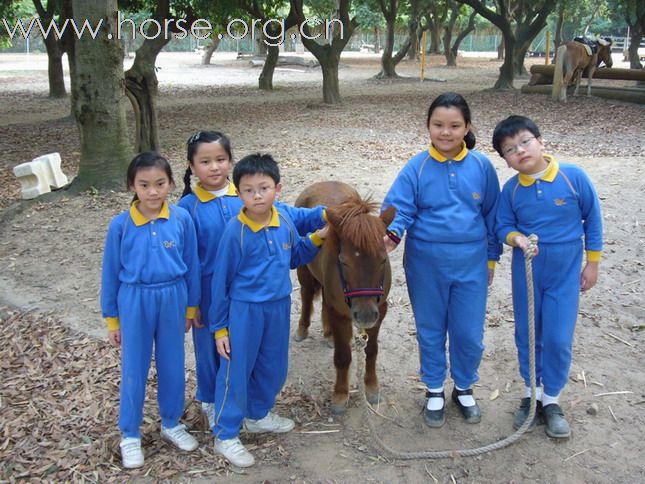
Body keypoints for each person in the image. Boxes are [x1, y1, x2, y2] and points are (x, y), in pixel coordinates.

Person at [178, 131, 327, 429]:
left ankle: (253, 412)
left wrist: (327, 213)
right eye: (205, 161)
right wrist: (191, 304)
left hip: (253, 293)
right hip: (210, 291)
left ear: (230, 161)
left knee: (253, 355)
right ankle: (213, 403)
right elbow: (187, 263)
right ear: (192, 167)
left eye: (220, 159)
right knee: (213, 351)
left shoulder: (248, 196)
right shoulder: (187, 208)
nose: (215, 167)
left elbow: (293, 218)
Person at [381, 92, 501, 428]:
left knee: (468, 332)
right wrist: (390, 236)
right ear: (428, 126)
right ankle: (434, 388)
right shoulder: (416, 167)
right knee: (431, 329)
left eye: (454, 126)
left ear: (467, 127)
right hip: (425, 263)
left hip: (471, 264)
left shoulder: (481, 166)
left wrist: (491, 258)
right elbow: (399, 208)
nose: (445, 132)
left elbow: (493, 215)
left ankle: (463, 387)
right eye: (438, 125)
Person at [208, 153, 329, 467]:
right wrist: (220, 328)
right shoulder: (236, 232)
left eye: (264, 188)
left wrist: (318, 236)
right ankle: (226, 434)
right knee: (236, 371)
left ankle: (257, 414)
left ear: (278, 188)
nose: (257, 195)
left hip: (278, 306)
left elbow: (294, 256)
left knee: (273, 366)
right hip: (245, 310)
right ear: (238, 193)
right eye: (248, 190)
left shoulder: (284, 220)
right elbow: (220, 282)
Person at [493, 115, 602, 439]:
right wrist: (517, 239)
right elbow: (502, 226)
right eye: (510, 149)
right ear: (507, 161)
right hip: (527, 270)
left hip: (564, 272)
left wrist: (592, 263)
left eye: (525, 141)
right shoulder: (511, 190)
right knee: (528, 333)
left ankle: (551, 399)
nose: (521, 151)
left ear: (541, 141)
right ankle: (531, 394)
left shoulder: (572, 178)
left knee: (557, 336)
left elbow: (592, 219)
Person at [101, 152, 201, 469]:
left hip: (173, 296)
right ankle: (130, 434)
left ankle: (171, 422)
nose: (153, 191)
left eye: (160, 183)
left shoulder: (182, 219)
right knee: (135, 367)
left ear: (171, 183)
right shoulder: (120, 225)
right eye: (144, 185)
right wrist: (112, 318)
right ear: (132, 185)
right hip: (135, 299)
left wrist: (191, 307)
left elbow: (193, 266)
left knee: (172, 364)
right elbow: (110, 273)